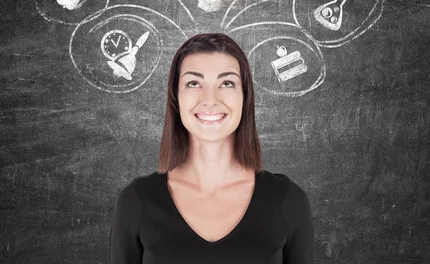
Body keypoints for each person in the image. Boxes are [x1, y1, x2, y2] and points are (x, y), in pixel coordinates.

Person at [109, 33, 314, 263]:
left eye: (226, 83)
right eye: (194, 83)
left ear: (244, 96)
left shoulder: (288, 201)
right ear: (176, 97)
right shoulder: (136, 202)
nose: (210, 99)